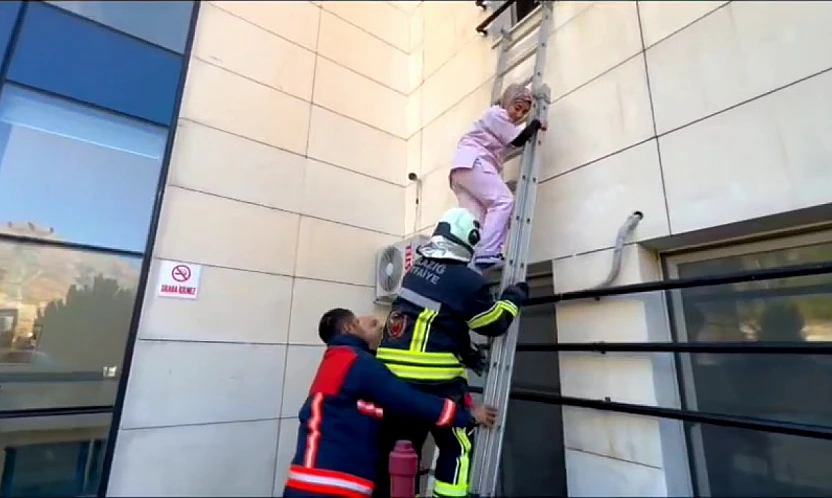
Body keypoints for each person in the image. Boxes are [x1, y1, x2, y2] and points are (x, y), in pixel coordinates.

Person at [374, 207, 529, 498]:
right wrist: (514, 296)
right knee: (457, 445)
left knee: (398, 454)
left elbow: (438, 319)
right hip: (436, 384)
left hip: (391, 384)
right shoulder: (467, 281)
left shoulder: (414, 271)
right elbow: (493, 323)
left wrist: (465, 349)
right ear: (470, 240)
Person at [283, 308, 498, 498]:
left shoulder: (335, 361)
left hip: (305, 480)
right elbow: (411, 400)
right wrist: (466, 415)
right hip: (332, 485)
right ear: (350, 328)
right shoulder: (359, 363)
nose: (380, 328)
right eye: (369, 323)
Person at [450, 83, 548, 270]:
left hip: (461, 171)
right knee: (503, 201)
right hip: (474, 162)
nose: (519, 114)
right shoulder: (497, 114)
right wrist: (536, 123)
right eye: (517, 108)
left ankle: (467, 262)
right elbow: (518, 140)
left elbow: (511, 141)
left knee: (476, 220)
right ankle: (487, 253)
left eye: (524, 112)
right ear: (507, 102)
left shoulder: (496, 120)